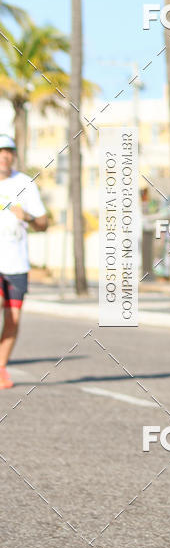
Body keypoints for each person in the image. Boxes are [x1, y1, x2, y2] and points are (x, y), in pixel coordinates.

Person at [0, 135, 48, 389]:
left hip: (16, 264)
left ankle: (1, 368)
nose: (5, 155)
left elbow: (44, 224)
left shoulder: (25, 183)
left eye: (9, 151)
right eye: (1, 151)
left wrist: (27, 216)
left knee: (13, 319)